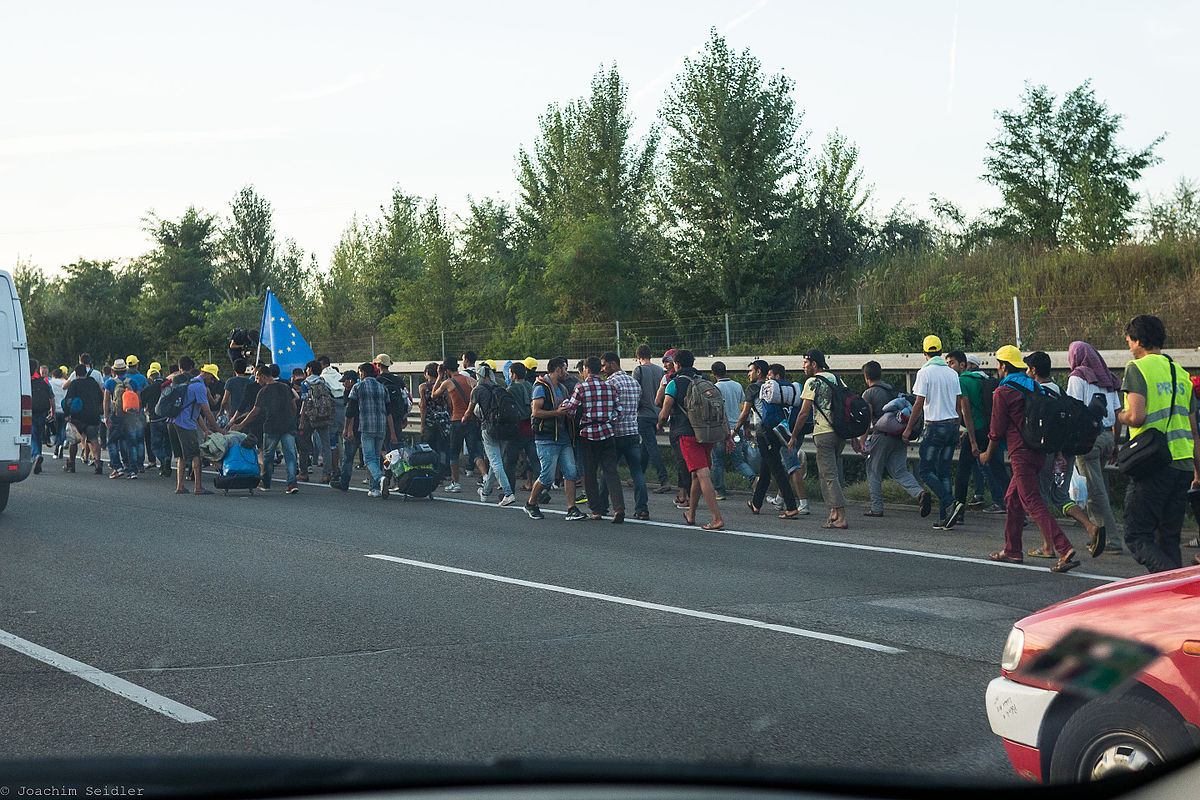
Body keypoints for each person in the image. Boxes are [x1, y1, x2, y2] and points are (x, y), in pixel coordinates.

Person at [980, 346, 1079, 573]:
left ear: (1004, 366)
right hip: (1039, 452)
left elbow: (996, 430)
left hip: (1021, 454)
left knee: (1032, 501)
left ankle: (1064, 548)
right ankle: (1012, 550)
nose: (998, 369)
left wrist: (987, 453)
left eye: (998, 365)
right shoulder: (1035, 386)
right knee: (1012, 498)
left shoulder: (1002, 392)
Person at [1116, 315, 1200, 573]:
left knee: (1137, 535)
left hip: (1153, 463)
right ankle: (1177, 600)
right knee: (1168, 537)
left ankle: (1167, 584)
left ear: (1139, 341)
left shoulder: (1137, 368)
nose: (1129, 347)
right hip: (1183, 465)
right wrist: (1198, 471)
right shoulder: (1181, 374)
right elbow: (1194, 431)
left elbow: (1137, 416)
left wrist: (1118, 414)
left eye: (1129, 341)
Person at [1024, 351, 1107, 558]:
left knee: (1040, 497)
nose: (1026, 372)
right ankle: (1090, 526)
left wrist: (1056, 453)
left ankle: (1048, 546)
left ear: (1034, 371)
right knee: (1059, 496)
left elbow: (1050, 429)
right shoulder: (1060, 392)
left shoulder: (1040, 394)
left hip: (1051, 453)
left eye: (1028, 368)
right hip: (1067, 452)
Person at [1066, 340, 1123, 554]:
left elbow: (1073, 411)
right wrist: (1115, 442)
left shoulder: (1078, 377)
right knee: (1098, 489)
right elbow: (1118, 413)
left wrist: (1069, 443)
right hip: (1108, 437)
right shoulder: (1107, 377)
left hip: (1088, 441)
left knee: (1095, 492)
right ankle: (1097, 536)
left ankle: (1111, 541)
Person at [659, 349, 723, 530]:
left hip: (687, 434)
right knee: (696, 475)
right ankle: (691, 514)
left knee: (702, 474)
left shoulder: (674, 383)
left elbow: (664, 413)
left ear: (677, 364)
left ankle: (716, 518)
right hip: (707, 433)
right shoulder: (705, 381)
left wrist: (659, 424)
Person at [902, 336, 962, 528]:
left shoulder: (924, 372)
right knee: (944, 472)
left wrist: (908, 429)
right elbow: (958, 403)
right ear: (942, 352)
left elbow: (919, 403)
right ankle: (947, 517)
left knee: (926, 471)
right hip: (952, 425)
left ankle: (950, 503)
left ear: (925, 353)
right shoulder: (952, 373)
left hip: (935, 426)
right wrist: (958, 428)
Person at [557, 356, 626, 522]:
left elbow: (571, 410)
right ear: (599, 369)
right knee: (611, 472)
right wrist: (608, 421)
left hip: (588, 434)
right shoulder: (610, 386)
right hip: (607, 432)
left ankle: (596, 510)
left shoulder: (581, 387)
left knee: (589, 473)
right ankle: (619, 508)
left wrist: (563, 406)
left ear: (587, 369)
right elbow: (619, 411)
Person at [857, 360, 927, 517]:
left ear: (866, 376)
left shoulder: (868, 393)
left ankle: (876, 507)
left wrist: (862, 441)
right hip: (900, 435)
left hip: (881, 437)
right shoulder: (892, 390)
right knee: (900, 470)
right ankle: (920, 493)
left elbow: (867, 420)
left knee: (873, 470)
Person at [737, 359, 801, 520]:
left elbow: (745, 413)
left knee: (777, 469)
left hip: (763, 432)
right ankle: (756, 504)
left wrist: (734, 430)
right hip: (777, 430)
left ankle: (791, 506)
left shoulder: (753, 388)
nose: (749, 374)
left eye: (751, 370)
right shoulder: (774, 386)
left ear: (759, 372)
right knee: (765, 469)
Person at [792, 349, 847, 529]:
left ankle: (841, 517)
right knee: (827, 475)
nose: (803, 367)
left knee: (829, 475)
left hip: (823, 433)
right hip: (840, 433)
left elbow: (804, 412)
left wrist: (793, 436)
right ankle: (833, 512)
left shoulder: (813, 382)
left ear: (814, 364)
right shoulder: (836, 379)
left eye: (805, 363)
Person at [948, 352, 1008, 516]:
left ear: (963, 365)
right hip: (990, 430)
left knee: (962, 473)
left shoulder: (962, 381)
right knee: (999, 471)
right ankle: (1015, 509)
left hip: (975, 432)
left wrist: (972, 440)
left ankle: (958, 513)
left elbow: (967, 411)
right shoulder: (985, 380)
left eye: (951, 363)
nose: (949, 367)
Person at [524, 357, 584, 521]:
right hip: (547, 438)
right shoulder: (541, 387)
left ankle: (571, 508)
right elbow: (536, 412)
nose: (567, 372)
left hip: (563, 437)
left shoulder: (563, 388)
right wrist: (557, 413)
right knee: (547, 477)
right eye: (565, 369)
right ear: (557, 369)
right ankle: (531, 503)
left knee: (571, 473)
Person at [232, 365, 300, 494]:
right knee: (290, 455)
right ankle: (292, 483)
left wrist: (241, 424)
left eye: (257, 378)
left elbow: (254, 412)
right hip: (288, 425)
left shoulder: (263, 391)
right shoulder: (285, 387)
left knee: (268, 455)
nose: (257, 381)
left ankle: (266, 482)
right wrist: (292, 419)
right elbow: (294, 406)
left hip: (271, 427)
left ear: (263, 376)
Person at [597, 352, 650, 520]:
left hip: (616, 433)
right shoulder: (634, 383)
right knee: (637, 472)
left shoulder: (611, 383)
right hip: (633, 432)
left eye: (604, 365)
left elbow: (608, 408)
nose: (603, 369)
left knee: (608, 470)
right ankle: (641, 508)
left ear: (613, 364)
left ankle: (603, 505)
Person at [167, 356, 222, 495]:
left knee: (181, 456)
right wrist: (218, 429)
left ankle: (180, 486)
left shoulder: (189, 382)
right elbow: (206, 411)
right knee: (196, 454)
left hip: (173, 422)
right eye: (212, 378)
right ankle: (198, 486)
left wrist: (205, 430)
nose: (213, 381)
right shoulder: (199, 387)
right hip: (185, 424)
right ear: (207, 374)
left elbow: (195, 412)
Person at [464, 363, 517, 506]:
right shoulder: (500, 388)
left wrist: (463, 420)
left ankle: (508, 493)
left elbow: (469, 412)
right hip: (506, 428)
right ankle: (486, 492)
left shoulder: (478, 390)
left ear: (480, 376)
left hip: (489, 429)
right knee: (496, 461)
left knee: (495, 462)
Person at [431, 358, 483, 492]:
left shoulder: (448, 383)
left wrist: (439, 377)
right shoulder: (470, 380)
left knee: (454, 452)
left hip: (457, 420)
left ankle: (456, 483)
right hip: (472, 419)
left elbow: (433, 395)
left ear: (447, 370)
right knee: (475, 452)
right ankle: (485, 475)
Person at [345, 362, 394, 497]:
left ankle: (380, 478)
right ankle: (374, 489)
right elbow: (389, 411)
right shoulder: (382, 388)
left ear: (363, 373)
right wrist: (393, 432)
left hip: (366, 426)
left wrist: (347, 429)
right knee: (377, 457)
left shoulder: (358, 386)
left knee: (368, 459)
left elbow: (350, 411)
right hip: (381, 426)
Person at [710, 361, 757, 500]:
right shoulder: (737, 386)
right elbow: (745, 408)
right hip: (737, 429)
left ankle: (719, 491)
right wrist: (746, 427)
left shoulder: (715, 388)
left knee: (717, 461)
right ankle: (753, 479)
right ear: (725, 371)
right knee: (738, 461)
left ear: (713, 374)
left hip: (722, 430)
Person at [768, 364, 810, 514]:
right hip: (800, 429)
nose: (768, 379)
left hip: (788, 432)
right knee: (787, 465)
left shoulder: (778, 392)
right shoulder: (794, 388)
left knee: (793, 466)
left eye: (770, 376)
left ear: (777, 376)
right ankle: (779, 500)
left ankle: (803, 504)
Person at [632, 345, 670, 493]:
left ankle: (663, 479)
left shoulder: (638, 370)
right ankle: (638, 476)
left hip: (644, 414)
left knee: (651, 446)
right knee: (646, 447)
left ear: (638, 357)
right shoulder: (660, 370)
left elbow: (635, 391)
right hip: (658, 413)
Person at [501, 362, 539, 497]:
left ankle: (509, 491)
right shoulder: (531, 386)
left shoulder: (511, 389)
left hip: (517, 429)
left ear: (514, 375)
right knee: (535, 460)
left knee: (510, 462)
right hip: (531, 428)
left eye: (510, 373)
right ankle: (540, 489)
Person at [62, 364, 103, 473]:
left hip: (78, 417)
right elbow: (101, 397)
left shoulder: (74, 384)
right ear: (86, 372)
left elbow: (68, 400)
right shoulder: (93, 383)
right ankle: (98, 462)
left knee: (73, 440)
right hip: (93, 415)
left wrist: (66, 414)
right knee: (94, 439)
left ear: (75, 374)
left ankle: (71, 464)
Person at [300, 360, 336, 484]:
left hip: (310, 417)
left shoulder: (305, 383)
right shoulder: (324, 382)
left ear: (310, 369)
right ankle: (326, 474)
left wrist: (301, 420)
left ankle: (304, 473)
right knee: (326, 446)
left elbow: (304, 402)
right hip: (324, 417)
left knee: (304, 444)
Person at [331, 371, 361, 492]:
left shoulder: (350, 392)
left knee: (348, 457)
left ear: (350, 381)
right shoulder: (362, 389)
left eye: (344, 381)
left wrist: (348, 429)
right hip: (366, 426)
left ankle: (344, 482)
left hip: (354, 428)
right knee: (371, 456)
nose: (343, 384)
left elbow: (350, 413)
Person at [141, 364, 172, 477]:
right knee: (167, 443)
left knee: (155, 445)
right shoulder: (168, 385)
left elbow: (143, 404)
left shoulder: (147, 389)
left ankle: (163, 460)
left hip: (155, 420)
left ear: (150, 378)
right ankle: (167, 459)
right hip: (168, 418)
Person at [28, 359, 52, 474]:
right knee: (38, 435)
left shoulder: (25, 381)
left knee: (32, 435)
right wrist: (52, 412)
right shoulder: (43, 381)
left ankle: (36, 455)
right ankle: (39, 458)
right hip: (42, 411)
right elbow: (51, 397)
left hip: (29, 411)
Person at [49, 367, 68, 459]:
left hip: (53, 409)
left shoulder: (50, 383)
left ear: (53, 375)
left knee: (53, 430)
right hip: (63, 409)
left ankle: (56, 442)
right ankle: (59, 445)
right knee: (62, 429)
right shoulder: (64, 384)